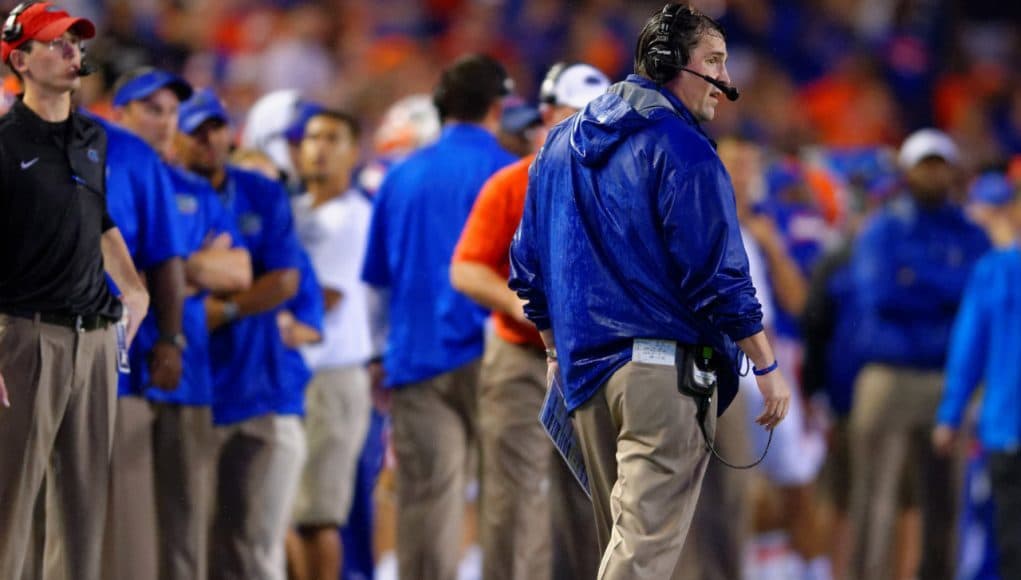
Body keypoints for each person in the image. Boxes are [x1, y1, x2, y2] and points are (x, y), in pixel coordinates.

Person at [508, 4, 790, 578]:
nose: (728, 82)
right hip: (662, 375)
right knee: (642, 552)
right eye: (714, 62)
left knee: (623, 545)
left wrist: (557, 352)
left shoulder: (555, 147)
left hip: (584, 378)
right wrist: (766, 363)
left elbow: (528, 270)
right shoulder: (685, 148)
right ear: (669, 64)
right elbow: (717, 276)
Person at [0, 3, 149, 579]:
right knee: (11, 506)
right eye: (56, 43)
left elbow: (98, 217)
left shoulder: (93, 138)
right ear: (21, 60)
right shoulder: (6, 143)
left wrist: (135, 291)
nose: (72, 52)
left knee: (83, 513)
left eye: (75, 43)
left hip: (94, 341)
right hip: (24, 338)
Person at [451, 61, 610, 580]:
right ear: (546, 115)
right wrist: (528, 309)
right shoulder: (512, 184)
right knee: (513, 497)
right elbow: (467, 268)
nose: (589, 125)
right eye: (575, 114)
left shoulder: (616, 186)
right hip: (521, 360)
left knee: (592, 496)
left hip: (593, 362)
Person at [361, 53, 516, 580]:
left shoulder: (400, 176)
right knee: (510, 496)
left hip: (416, 354)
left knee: (427, 501)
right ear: (497, 107)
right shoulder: (512, 174)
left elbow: (377, 281)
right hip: (499, 355)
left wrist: (380, 353)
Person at [109, 67, 253, 580]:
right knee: (119, 523)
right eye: (152, 109)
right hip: (118, 370)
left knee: (185, 522)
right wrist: (187, 265)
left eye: (172, 111)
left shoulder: (193, 189)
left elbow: (238, 271)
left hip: (186, 372)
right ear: (119, 113)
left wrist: (166, 264)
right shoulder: (102, 173)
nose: (165, 121)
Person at [846, 128, 990, 580]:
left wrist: (917, 278)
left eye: (939, 163)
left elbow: (977, 296)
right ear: (907, 171)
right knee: (875, 499)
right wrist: (948, 290)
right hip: (888, 374)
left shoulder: (970, 231)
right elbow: (881, 295)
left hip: (950, 379)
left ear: (950, 169)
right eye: (924, 164)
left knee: (947, 500)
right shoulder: (882, 228)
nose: (932, 172)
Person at [177, 88, 308, 580]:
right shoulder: (166, 191)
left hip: (260, 391)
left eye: (217, 127)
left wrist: (225, 304)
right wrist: (204, 272)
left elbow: (286, 280)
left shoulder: (261, 191)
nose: (210, 139)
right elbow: (161, 272)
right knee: (193, 544)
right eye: (197, 130)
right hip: (192, 392)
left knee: (255, 548)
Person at [287, 109, 372, 580]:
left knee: (317, 515)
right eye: (311, 137)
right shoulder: (298, 212)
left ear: (353, 152)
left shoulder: (354, 217)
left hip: (332, 375)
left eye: (332, 138)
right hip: (296, 374)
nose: (317, 147)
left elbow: (325, 297)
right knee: (292, 512)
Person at [932, 178, 1021, 580]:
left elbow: (969, 349)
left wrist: (950, 415)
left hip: (1008, 428)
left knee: (1009, 542)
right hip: (1006, 426)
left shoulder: (997, 269)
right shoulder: (995, 269)